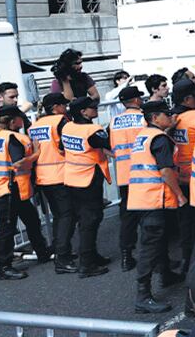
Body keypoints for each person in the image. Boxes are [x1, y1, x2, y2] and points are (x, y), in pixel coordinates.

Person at [128, 100, 187, 314]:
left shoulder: (145, 135)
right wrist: (180, 195)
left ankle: (166, 274)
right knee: (149, 247)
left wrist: (169, 127)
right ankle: (143, 296)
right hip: (154, 198)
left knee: (158, 240)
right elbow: (165, 171)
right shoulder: (160, 140)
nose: (170, 116)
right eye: (166, 114)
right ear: (154, 118)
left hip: (143, 198)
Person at [0, 105, 50, 280]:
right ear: (13, 121)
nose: (22, 120)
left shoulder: (0, 136)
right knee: (6, 229)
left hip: (11, 187)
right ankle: (5, 267)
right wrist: (37, 153)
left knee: (31, 220)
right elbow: (18, 163)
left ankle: (42, 251)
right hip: (9, 189)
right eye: (20, 118)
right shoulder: (13, 138)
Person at [63, 96, 113, 277]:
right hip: (88, 180)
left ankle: (91, 256)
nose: (96, 109)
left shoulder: (68, 126)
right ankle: (86, 264)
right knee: (90, 221)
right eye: (92, 107)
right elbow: (110, 145)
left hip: (72, 179)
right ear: (83, 112)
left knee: (86, 220)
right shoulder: (92, 130)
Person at [27, 93, 75, 274]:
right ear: (56, 107)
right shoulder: (61, 122)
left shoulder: (35, 125)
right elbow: (67, 146)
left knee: (60, 216)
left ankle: (61, 251)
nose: (66, 108)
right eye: (63, 104)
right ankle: (62, 257)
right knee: (66, 216)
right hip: (60, 175)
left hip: (43, 177)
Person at [170, 78, 195, 270]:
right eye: (194, 97)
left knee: (186, 224)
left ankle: (187, 261)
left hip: (179, 178)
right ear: (186, 100)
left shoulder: (169, 119)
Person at [109, 85, 146, 271]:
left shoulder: (114, 121)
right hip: (145, 173)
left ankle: (126, 256)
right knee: (149, 215)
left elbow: (108, 147)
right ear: (137, 100)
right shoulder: (143, 118)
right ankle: (152, 256)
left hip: (124, 174)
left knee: (128, 217)